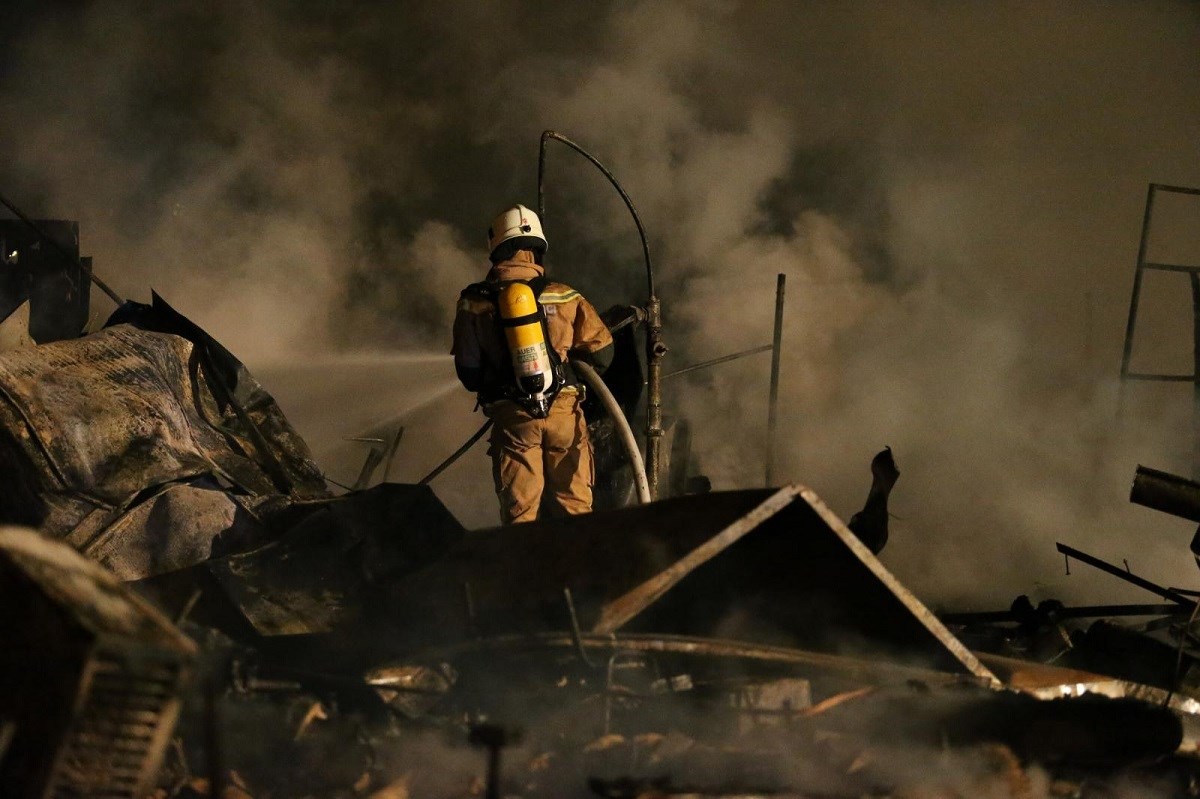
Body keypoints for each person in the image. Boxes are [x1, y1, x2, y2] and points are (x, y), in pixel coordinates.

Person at [452, 204, 613, 524]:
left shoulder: (473, 302)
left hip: (515, 420)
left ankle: (528, 557)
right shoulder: (564, 295)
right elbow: (604, 355)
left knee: (522, 517)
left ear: (496, 248)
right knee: (576, 511)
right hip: (564, 415)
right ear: (537, 248)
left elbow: (468, 373)